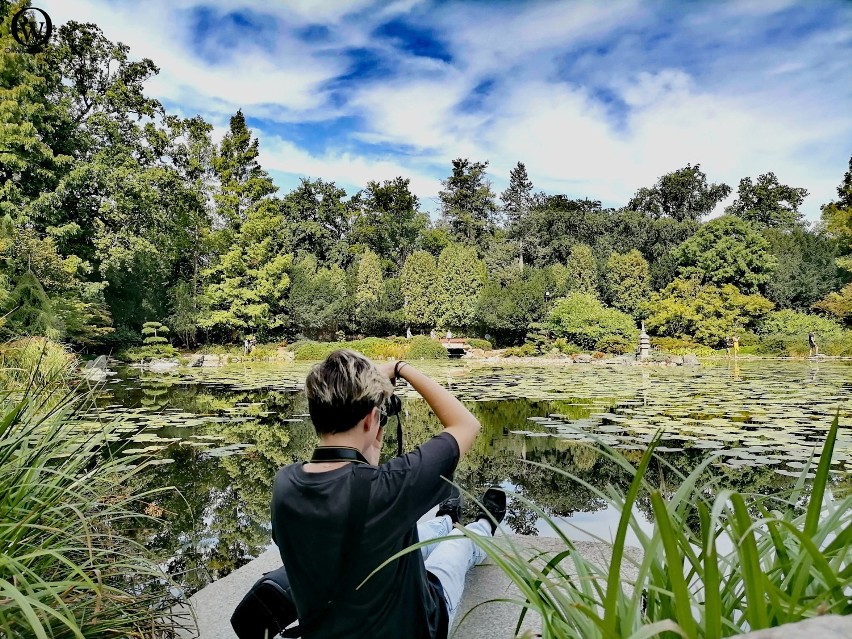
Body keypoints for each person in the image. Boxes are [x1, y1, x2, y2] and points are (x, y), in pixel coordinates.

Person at [270, 350, 506, 639]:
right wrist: (400, 367)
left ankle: (445, 517)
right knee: (455, 548)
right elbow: (466, 425)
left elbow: (341, 490)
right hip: (418, 624)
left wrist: (369, 453)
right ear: (371, 419)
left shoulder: (284, 484)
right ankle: (484, 525)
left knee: (419, 531)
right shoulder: (387, 487)